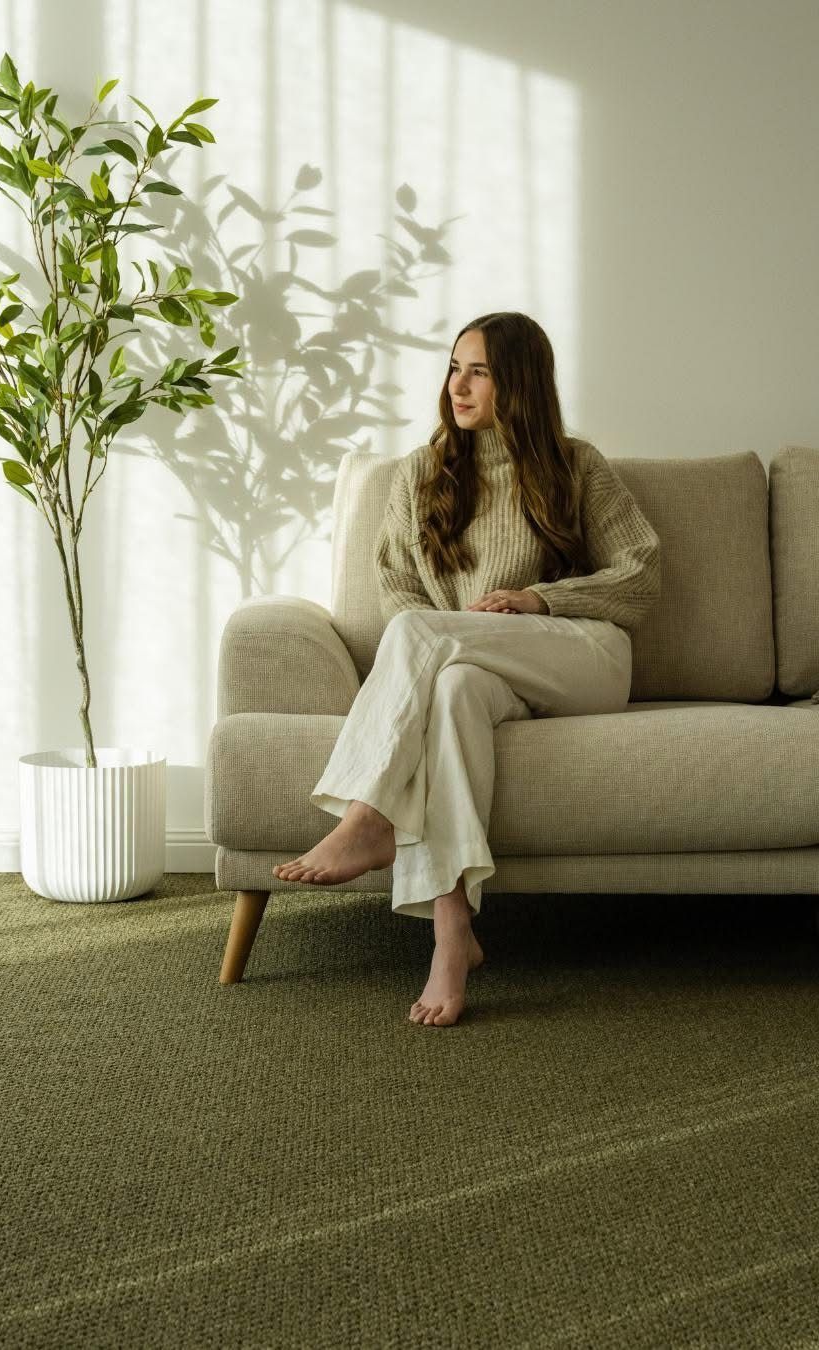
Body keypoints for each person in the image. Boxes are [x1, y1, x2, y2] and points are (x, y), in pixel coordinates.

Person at [273, 311, 661, 1028]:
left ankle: (368, 812)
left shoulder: (576, 465)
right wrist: (463, 630)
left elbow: (640, 574)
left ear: (519, 382)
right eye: (455, 367)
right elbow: (398, 588)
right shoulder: (420, 474)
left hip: (580, 657)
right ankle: (452, 935)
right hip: (472, 663)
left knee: (426, 637)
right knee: (450, 689)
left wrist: (539, 598)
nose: (459, 384)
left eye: (479, 370)